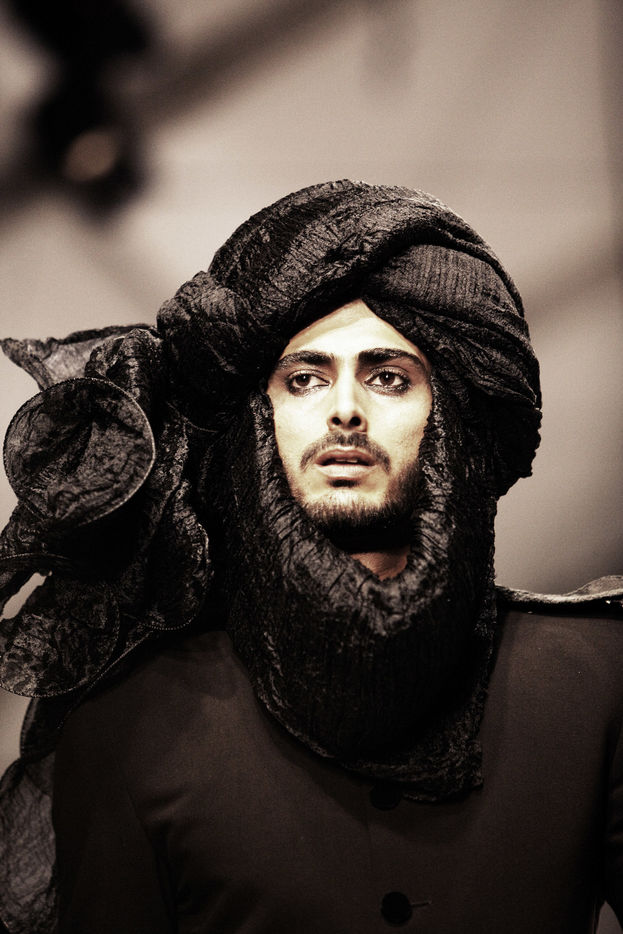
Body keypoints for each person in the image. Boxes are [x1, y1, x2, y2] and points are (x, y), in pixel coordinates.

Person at [0, 180, 621, 934]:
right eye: (304, 379)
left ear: (453, 417)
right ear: (255, 422)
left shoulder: (596, 683)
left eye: (388, 377)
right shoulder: (128, 727)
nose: (345, 409)